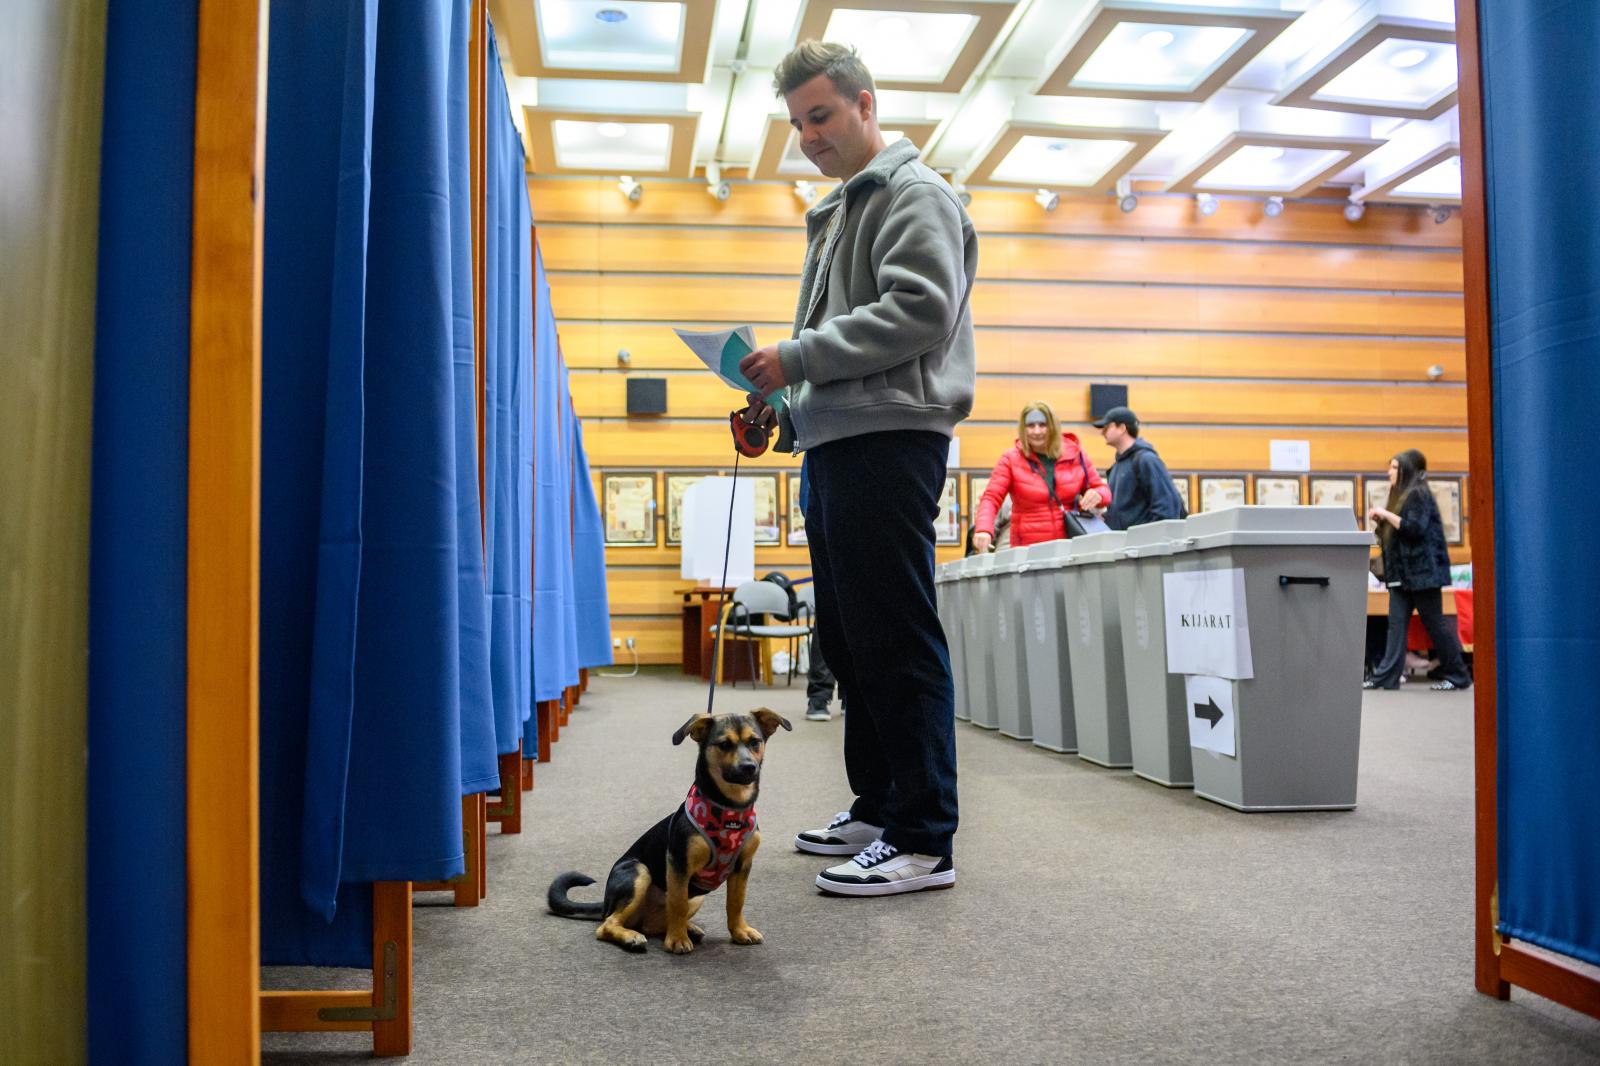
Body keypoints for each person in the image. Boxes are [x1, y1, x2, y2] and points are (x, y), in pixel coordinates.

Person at [737, 39, 975, 897]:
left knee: (896, 636)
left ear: (866, 104)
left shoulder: (915, 194)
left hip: (892, 439)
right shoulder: (840, 209)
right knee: (847, 636)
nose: (808, 136)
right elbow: (836, 348)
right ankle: (879, 804)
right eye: (798, 122)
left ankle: (923, 838)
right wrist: (786, 407)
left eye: (822, 115)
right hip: (839, 441)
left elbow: (918, 310)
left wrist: (795, 358)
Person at [1364, 449, 1472, 691]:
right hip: (1404, 576)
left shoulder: (1418, 493)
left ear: (1405, 469)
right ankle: (1386, 677)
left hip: (1422, 575)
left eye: (1393, 467)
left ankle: (1458, 675)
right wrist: (1383, 520)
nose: (1389, 472)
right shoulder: (1404, 494)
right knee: (1397, 626)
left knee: (1434, 624)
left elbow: (1415, 528)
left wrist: (1384, 513)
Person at [972, 402, 1109, 552]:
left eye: (1042, 425)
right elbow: (991, 497)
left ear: (1053, 426)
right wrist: (983, 529)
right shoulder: (1010, 459)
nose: (1036, 431)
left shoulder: (1076, 454)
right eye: (1030, 426)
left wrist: (1098, 495)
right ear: (1023, 429)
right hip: (1027, 550)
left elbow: (1102, 489)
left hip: (1068, 546)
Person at [1095, 405, 1186, 530]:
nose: (1102, 432)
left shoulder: (1146, 460)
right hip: (1127, 544)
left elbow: (1167, 506)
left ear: (1122, 428)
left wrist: (1154, 541)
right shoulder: (1117, 467)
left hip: (1145, 545)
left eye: (1107, 427)